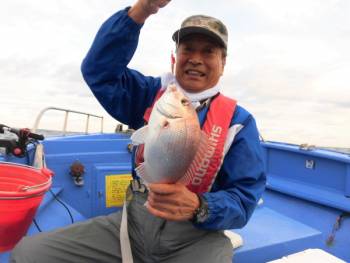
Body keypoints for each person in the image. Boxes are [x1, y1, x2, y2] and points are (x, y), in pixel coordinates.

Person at [10, 0, 266, 262]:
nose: (196, 59)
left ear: (223, 63)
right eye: (188, 49)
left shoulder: (239, 122)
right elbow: (99, 71)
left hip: (196, 235)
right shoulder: (151, 95)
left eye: (209, 52)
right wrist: (142, 9)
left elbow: (243, 198)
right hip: (133, 222)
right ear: (176, 56)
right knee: (27, 254)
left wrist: (200, 206)